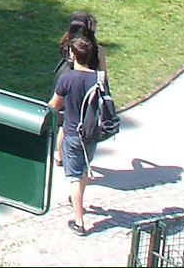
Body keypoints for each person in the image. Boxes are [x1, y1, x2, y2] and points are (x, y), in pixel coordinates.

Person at [49, 36, 101, 237]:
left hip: (72, 132)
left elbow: (54, 105)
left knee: (73, 177)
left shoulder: (67, 78)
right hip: (92, 133)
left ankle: (79, 221)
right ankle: (77, 198)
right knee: (85, 168)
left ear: (73, 55)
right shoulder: (97, 78)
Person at [53, 12, 107, 167]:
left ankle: (60, 155)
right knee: (86, 117)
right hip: (88, 85)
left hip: (67, 80)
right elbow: (103, 72)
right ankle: (82, 154)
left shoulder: (67, 44)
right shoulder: (96, 49)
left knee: (66, 121)